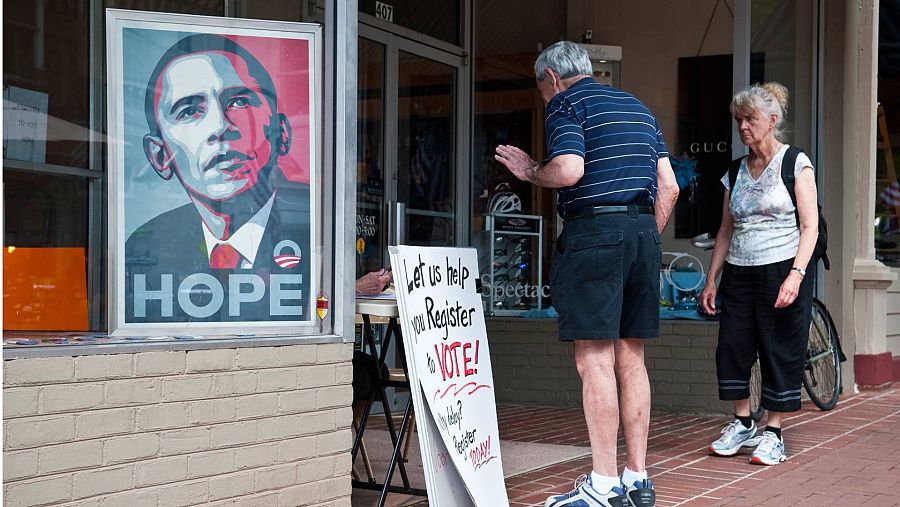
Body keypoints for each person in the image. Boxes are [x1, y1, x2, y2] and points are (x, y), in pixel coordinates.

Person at [495, 41, 678, 507]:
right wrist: (643, 236)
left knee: (593, 359)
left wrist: (532, 170)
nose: (544, 98)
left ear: (552, 78)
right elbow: (670, 187)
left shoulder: (566, 103)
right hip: (642, 232)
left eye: (541, 90)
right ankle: (637, 479)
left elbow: (570, 170)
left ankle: (602, 484)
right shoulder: (637, 107)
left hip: (595, 231)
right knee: (631, 357)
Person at [124, 34, 310, 323]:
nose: (220, 126)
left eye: (238, 102)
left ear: (281, 133)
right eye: (189, 111)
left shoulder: (318, 225)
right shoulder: (150, 242)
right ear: (160, 156)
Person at [699, 82, 818, 466]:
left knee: (778, 347)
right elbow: (725, 231)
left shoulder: (794, 163)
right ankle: (743, 422)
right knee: (732, 345)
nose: (743, 127)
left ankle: (774, 432)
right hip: (739, 271)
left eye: (750, 119)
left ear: (771, 120)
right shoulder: (733, 173)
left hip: (782, 267)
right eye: (739, 121)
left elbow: (810, 227)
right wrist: (712, 278)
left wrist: (796, 276)